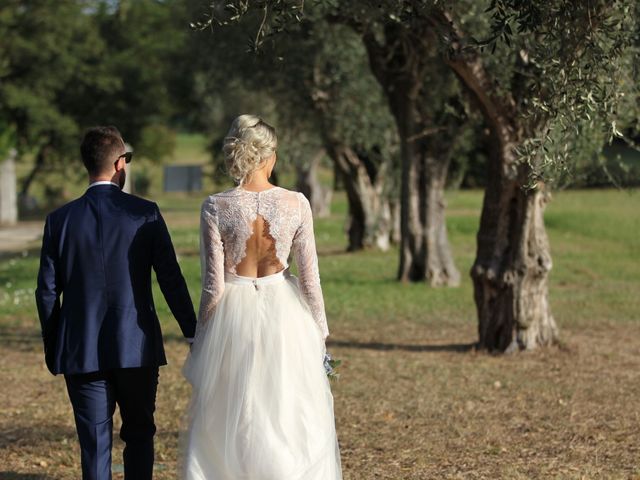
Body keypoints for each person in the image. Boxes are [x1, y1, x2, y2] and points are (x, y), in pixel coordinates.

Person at [182, 115, 342, 479]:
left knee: (234, 411)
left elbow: (213, 285)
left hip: (232, 317)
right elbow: (310, 278)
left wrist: (203, 337)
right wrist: (319, 332)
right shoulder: (296, 203)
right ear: (268, 157)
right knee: (286, 409)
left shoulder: (215, 206)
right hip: (285, 313)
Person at [35, 126, 197, 480]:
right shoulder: (146, 213)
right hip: (135, 346)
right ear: (120, 163)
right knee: (139, 434)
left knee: (94, 443)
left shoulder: (59, 221)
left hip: (81, 349)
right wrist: (193, 333)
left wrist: (54, 347)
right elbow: (170, 279)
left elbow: (47, 292)